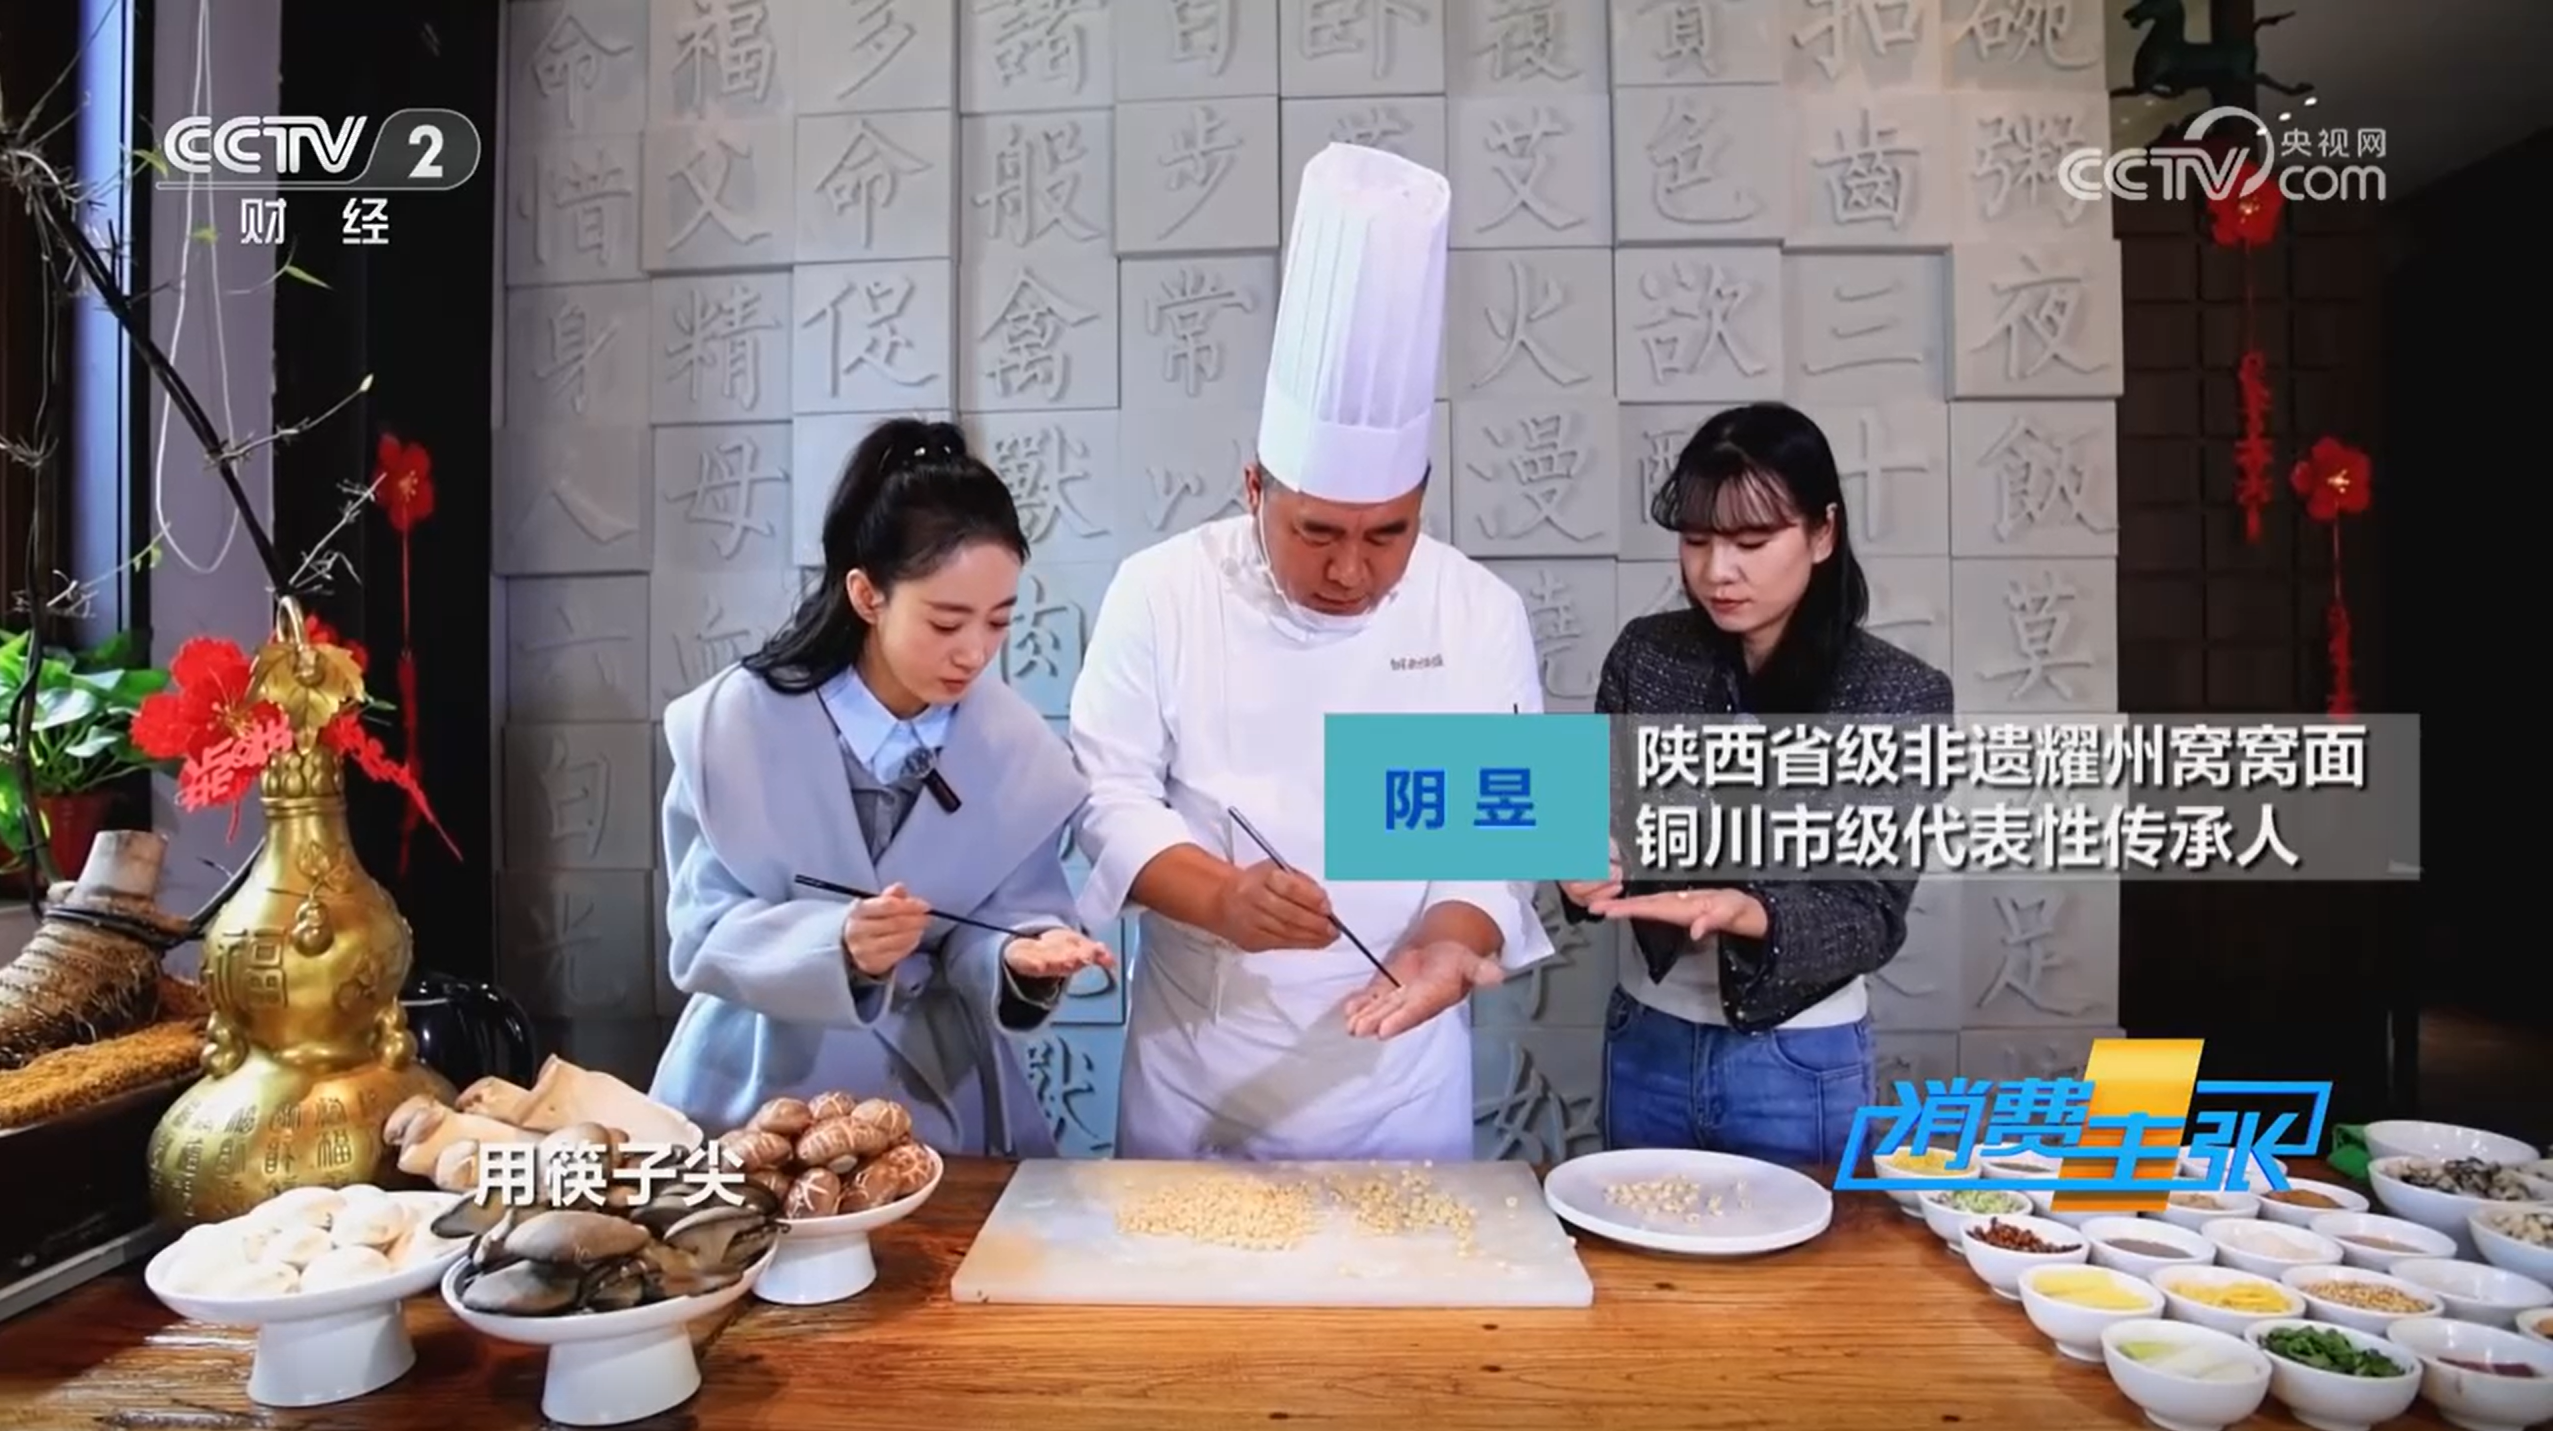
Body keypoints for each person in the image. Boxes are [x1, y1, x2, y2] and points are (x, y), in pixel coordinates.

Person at [1067, 143, 1553, 1162]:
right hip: (1200, 1075)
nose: (1350, 570)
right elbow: (1108, 798)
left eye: (1388, 534)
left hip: (1401, 1080)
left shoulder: (1479, 611)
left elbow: (1496, 837)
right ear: (1255, 488)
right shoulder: (1162, 590)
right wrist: (1223, 897)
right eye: (1317, 531)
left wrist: (1450, 942)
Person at [650, 418, 1115, 1155]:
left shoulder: (1016, 751)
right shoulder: (733, 726)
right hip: (754, 1092)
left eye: (998, 621)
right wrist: (833, 945)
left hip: (937, 1101)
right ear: (867, 595)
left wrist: (1018, 955)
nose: (975, 653)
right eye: (946, 622)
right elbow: (702, 929)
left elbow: (1001, 921)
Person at [1557, 402, 1953, 1168]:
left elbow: (1871, 912)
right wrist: (1578, 860)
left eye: (1750, 542)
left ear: (1821, 533)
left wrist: (1754, 912)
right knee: (1637, 1242)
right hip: (1646, 1037)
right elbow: (1587, 816)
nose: (1716, 571)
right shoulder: (1646, 654)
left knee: (1805, 1250)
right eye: (1696, 540)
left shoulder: (1897, 693)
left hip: (1797, 1056)